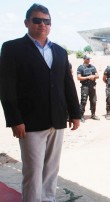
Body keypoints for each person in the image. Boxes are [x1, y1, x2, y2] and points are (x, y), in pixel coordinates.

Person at [0, 4, 81, 202]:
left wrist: (75, 113)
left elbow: (67, 84)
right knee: (33, 171)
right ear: (27, 23)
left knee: (52, 169)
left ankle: (48, 199)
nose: (42, 25)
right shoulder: (12, 48)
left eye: (47, 21)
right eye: (37, 20)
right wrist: (14, 119)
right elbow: (6, 87)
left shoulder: (60, 52)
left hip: (57, 119)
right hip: (29, 122)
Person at [77, 54, 100, 122]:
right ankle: (81, 116)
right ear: (84, 59)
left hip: (92, 86)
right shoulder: (80, 67)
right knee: (83, 101)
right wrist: (88, 77)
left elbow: (97, 75)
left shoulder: (92, 67)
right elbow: (78, 77)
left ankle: (93, 114)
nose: (88, 60)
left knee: (93, 100)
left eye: (89, 59)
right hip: (85, 87)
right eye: (87, 59)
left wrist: (94, 76)